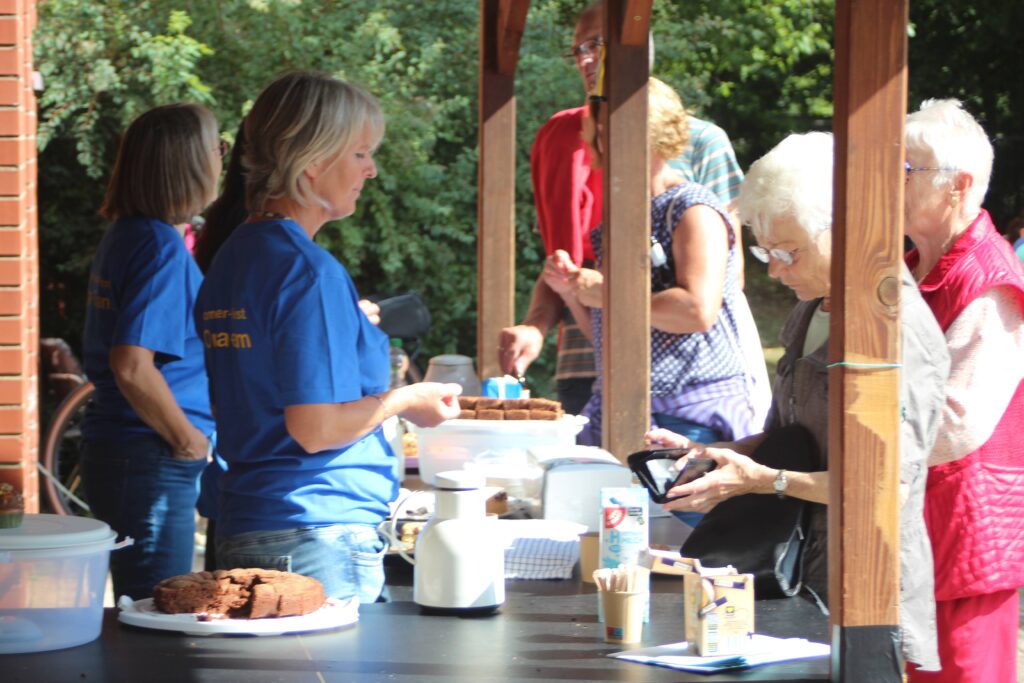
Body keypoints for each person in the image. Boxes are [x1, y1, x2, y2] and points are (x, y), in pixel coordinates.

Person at [649, 132, 949, 671]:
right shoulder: (814, 306)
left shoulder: (897, 331)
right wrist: (721, 454)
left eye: (788, 252)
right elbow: (791, 434)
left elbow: (886, 491)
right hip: (799, 578)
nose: (773, 269)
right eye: (764, 251)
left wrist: (764, 481)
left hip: (865, 595)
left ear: (847, 230)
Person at [196, 71, 461, 605]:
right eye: (360, 153)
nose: (371, 169)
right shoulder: (307, 271)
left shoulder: (234, 254)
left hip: (251, 518)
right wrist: (408, 399)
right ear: (312, 161)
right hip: (314, 532)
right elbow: (315, 429)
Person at [498, 1, 764, 420]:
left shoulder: (702, 142)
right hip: (588, 361)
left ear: (642, 49)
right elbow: (566, 262)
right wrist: (537, 323)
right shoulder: (566, 141)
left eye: (597, 44)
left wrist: (612, 295)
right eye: (577, 49)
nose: (586, 59)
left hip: (688, 383)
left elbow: (721, 284)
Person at [552, 78, 761, 455]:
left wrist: (608, 294)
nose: (607, 143)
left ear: (655, 133)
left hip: (690, 416)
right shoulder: (620, 220)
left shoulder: (693, 208)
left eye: (618, 131)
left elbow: (697, 311)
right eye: (602, 132)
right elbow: (613, 330)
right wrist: (571, 291)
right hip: (622, 409)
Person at [80, 103, 223, 600]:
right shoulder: (160, 247)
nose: (222, 159)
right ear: (187, 163)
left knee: (139, 608)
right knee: (156, 612)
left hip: (125, 449)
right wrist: (188, 441)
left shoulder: (129, 234)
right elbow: (132, 366)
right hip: (151, 453)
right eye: (217, 147)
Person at [903, 99, 1024, 683]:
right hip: (919, 523)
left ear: (959, 185)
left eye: (906, 169)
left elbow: (957, 422)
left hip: (964, 533)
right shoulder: (908, 267)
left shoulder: (990, 279)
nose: (888, 182)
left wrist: (862, 438)